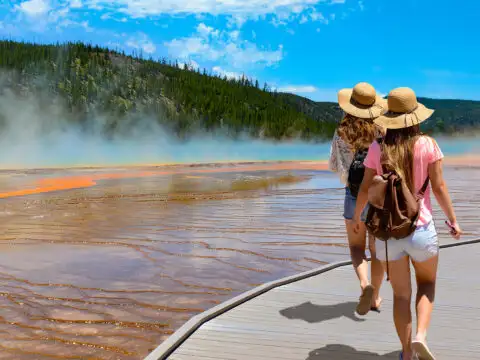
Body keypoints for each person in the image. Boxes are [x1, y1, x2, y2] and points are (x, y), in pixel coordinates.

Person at [352, 87, 463, 360]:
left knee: (401, 296)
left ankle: (405, 353)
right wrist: (452, 220)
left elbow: (365, 188)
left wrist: (357, 217)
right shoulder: (428, 145)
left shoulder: (378, 147)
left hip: (389, 235)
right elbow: (438, 187)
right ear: (415, 117)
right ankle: (420, 337)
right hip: (422, 230)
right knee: (426, 285)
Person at [328, 82, 387, 316]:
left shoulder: (342, 132)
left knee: (355, 247)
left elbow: (335, 165)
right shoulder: (382, 131)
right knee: (377, 251)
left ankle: (365, 285)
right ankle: (376, 296)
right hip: (379, 197)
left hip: (353, 194)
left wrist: (350, 177)